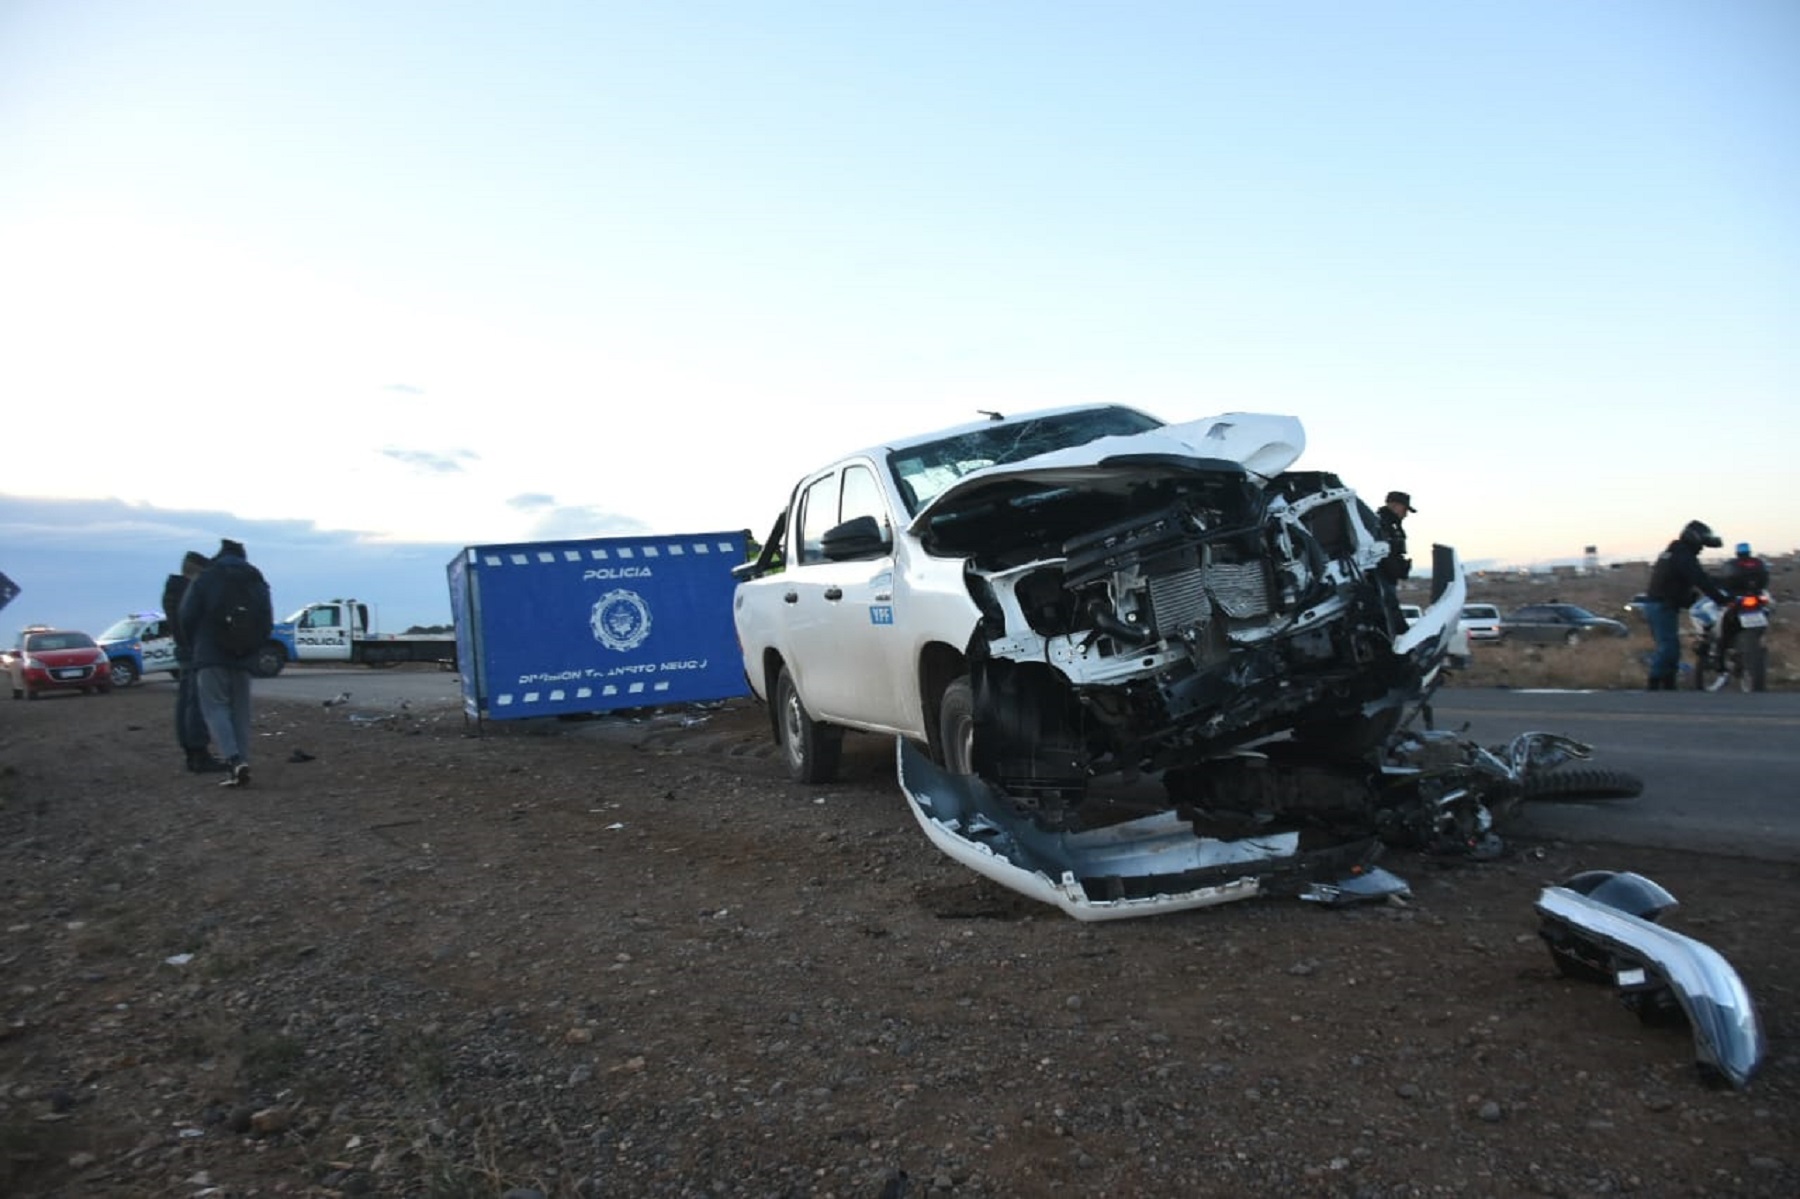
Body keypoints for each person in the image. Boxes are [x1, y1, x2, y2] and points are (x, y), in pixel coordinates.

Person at [178, 538, 271, 787]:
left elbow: (187, 615)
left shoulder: (207, 577)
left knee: (215, 708)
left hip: (210, 654)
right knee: (241, 711)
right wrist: (254, 646)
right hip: (244, 655)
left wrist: (195, 644)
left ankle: (233, 760)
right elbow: (266, 619)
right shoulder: (255, 578)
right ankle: (244, 760)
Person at [1641, 520, 1730, 691]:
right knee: (1669, 646)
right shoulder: (1682, 556)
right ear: (1694, 538)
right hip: (1662, 605)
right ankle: (1655, 682)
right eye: (1701, 543)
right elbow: (1700, 579)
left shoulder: (1674, 553)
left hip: (1661, 604)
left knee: (1670, 646)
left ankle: (1668, 684)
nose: (1702, 548)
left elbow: (1690, 579)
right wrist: (1721, 599)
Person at [162, 550, 225, 773]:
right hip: (194, 652)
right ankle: (198, 752)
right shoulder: (186, 593)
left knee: (186, 703)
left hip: (186, 651)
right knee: (196, 704)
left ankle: (193, 751)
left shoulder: (173, 591)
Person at [1708, 542, 1772, 687]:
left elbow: (1723, 582)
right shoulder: (1757, 564)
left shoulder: (1732, 565)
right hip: (1755, 602)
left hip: (1739, 603)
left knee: (1722, 629)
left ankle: (1721, 657)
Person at [1376, 491, 1414, 582]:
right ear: (1395, 506)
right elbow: (1384, 554)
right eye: (1404, 510)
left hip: (1387, 578)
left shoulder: (1392, 525)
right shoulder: (1380, 525)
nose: (1405, 515)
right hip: (1382, 578)